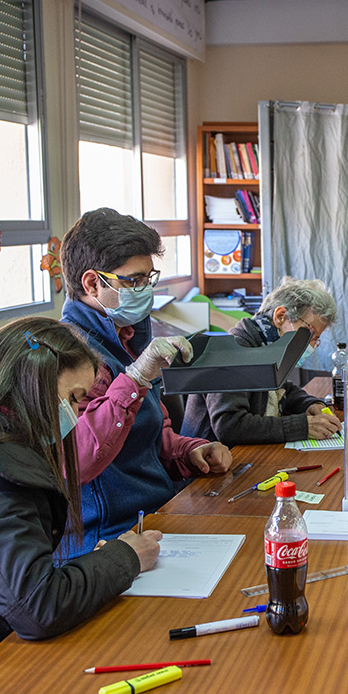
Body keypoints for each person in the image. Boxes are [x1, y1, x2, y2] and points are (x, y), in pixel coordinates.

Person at [0, 318, 162, 686]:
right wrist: (126, 557)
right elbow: (36, 605)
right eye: (75, 399)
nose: (78, 414)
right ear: (31, 386)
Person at [59, 208, 232, 555]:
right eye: (133, 281)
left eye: (148, 278)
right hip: (106, 540)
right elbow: (75, 460)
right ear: (92, 283)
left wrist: (190, 450)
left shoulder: (127, 338)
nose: (145, 290)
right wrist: (135, 378)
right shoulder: (68, 356)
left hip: (155, 516)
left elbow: (149, 437)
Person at [181, 276, 342, 445]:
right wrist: (303, 426)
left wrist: (309, 404)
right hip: (209, 461)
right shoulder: (234, 352)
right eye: (309, 334)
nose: (311, 345)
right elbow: (230, 426)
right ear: (280, 316)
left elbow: (282, 388)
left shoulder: (265, 347)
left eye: (316, 339)